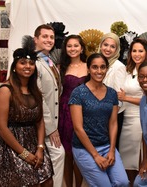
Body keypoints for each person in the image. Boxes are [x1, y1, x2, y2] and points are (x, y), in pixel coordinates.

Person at [0, 47, 53, 186]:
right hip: (10, 145)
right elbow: (1, 128)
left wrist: (40, 148)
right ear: (14, 67)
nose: (28, 66)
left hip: (33, 141)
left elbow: (39, 121)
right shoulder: (5, 91)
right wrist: (24, 154)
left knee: (47, 181)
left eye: (31, 63)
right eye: (23, 63)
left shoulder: (35, 91)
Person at [69, 53, 129, 187]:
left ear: (107, 69)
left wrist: (112, 150)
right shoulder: (78, 93)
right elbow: (78, 128)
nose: (99, 71)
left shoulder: (112, 93)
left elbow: (113, 123)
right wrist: (95, 155)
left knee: (122, 182)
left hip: (106, 146)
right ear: (88, 69)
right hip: (84, 148)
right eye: (95, 67)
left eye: (103, 67)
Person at [34, 24, 65, 187]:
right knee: (58, 155)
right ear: (36, 39)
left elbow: (55, 92)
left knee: (55, 157)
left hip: (53, 122)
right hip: (41, 124)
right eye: (44, 36)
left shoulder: (49, 61)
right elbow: (39, 98)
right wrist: (51, 127)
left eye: (51, 37)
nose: (49, 40)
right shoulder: (33, 63)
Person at [118, 38, 147, 186]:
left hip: (140, 119)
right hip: (125, 118)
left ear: (146, 53)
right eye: (134, 51)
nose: (137, 54)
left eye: (140, 51)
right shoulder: (127, 70)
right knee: (126, 162)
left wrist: (126, 98)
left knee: (139, 160)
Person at [58, 34, 87, 187]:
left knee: (80, 152)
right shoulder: (60, 67)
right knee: (67, 153)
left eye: (76, 45)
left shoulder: (89, 66)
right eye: (69, 46)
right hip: (64, 111)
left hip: (83, 112)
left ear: (82, 48)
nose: (73, 49)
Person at [98, 32, 127, 150]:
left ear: (117, 49)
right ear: (100, 45)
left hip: (111, 115)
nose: (108, 49)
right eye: (105, 45)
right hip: (97, 112)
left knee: (110, 147)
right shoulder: (97, 62)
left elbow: (118, 96)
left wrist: (112, 118)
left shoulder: (119, 66)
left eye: (112, 46)